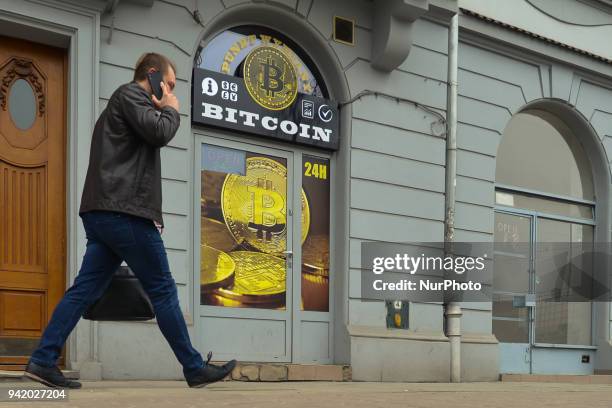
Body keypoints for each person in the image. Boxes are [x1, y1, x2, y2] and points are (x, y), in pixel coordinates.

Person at [24, 53, 236, 389]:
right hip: (124, 212)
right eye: (168, 83)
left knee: (84, 290)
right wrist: (170, 107)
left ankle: (42, 359)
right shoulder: (130, 96)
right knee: (163, 290)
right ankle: (194, 368)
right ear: (151, 76)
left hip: (108, 212)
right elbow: (159, 132)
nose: (170, 90)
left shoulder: (125, 104)